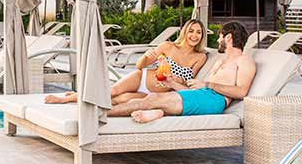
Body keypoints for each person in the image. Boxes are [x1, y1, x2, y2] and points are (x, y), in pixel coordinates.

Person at [107, 21, 256, 123]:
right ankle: (158, 112)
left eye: (220, 36)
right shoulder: (220, 61)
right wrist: (172, 83)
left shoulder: (244, 61)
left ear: (228, 37)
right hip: (202, 95)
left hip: (214, 100)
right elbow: (195, 92)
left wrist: (208, 84)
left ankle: (99, 116)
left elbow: (241, 92)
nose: (218, 40)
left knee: (152, 100)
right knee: (141, 100)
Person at [44, 19, 208, 105]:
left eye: (198, 32)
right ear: (185, 32)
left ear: (202, 36)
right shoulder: (167, 46)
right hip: (142, 78)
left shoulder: (200, 57)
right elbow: (140, 65)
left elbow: (189, 82)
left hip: (156, 92)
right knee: (113, 91)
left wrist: (179, 81)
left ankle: (78, 98)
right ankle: (65, 99)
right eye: (191, 31)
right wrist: (145, 56)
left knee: (121, 100)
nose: (194, 35)